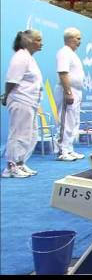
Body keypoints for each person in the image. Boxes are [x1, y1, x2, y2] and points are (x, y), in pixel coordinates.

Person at [1, 30, 43, 177]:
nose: (41, 43)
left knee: (30, 135)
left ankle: (20, 163)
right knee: (18, 134)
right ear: (27, 41)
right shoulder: (20, 57)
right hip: (21, 100)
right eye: (38, 40)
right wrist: (6, 96)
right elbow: (11, 81)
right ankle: (10, 167)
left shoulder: (29, 58)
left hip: (30, 102)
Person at [55, 28, 85, 161]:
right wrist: (68, 92)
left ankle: (69, 148)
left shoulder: (73, 54)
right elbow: (63, 73)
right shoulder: (64, 53)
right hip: (67, 90)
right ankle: (62, 150)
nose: (80, 41)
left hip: (76, 90)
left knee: (74, 121)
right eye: (78, 38)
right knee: (66, 121)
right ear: (69, 39)